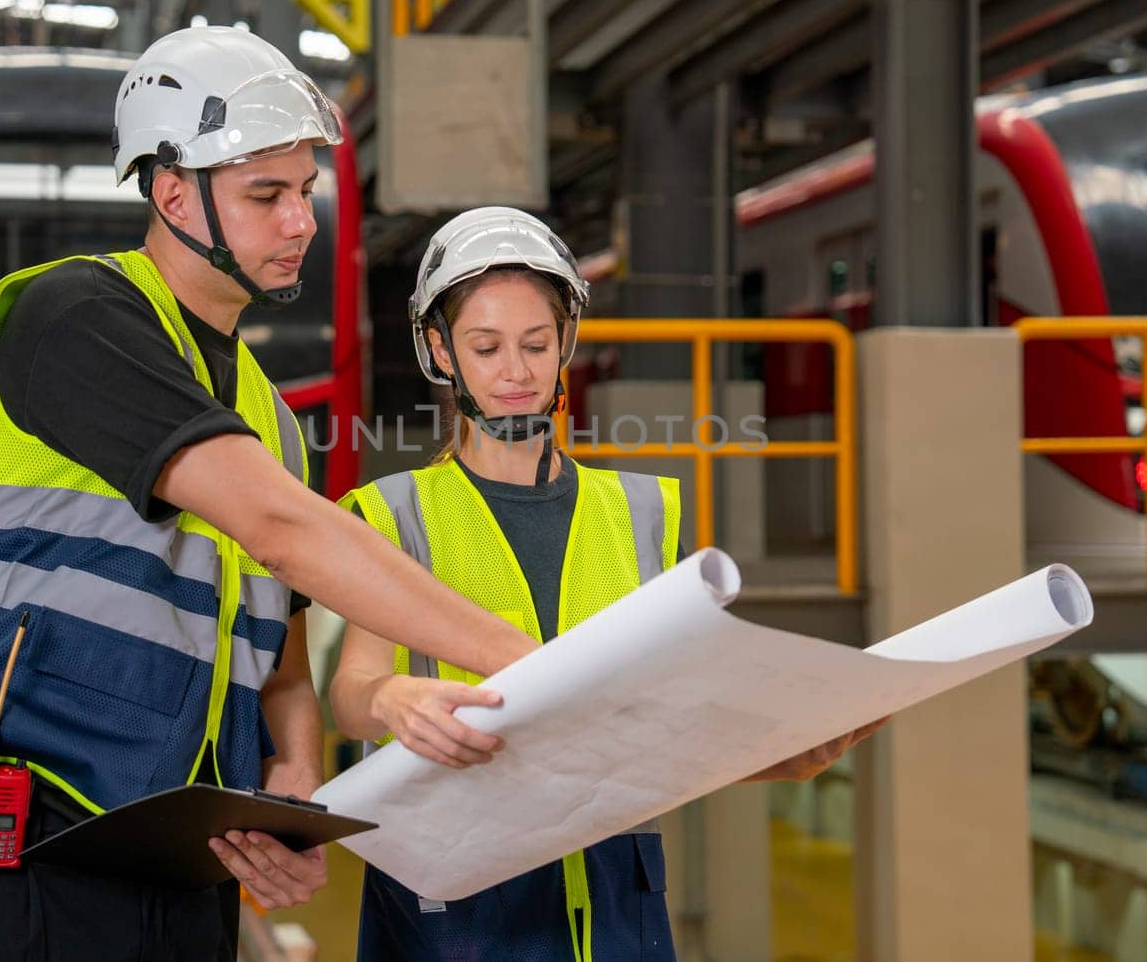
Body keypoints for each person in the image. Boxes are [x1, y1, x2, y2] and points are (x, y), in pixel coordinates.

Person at [0, 28, 538, 962]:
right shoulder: (72, 316)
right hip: (19, 835)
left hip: (185, 853)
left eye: (304, 191)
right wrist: (533, 661)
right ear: (173, 192)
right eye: (265, 194)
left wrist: (295, 781)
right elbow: (282, 532)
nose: (300, 221)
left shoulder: (268, 415)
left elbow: (282, 659)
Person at [330, 206, 884, 961]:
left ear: (566, 343)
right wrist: (387, 698)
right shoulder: (394, 514)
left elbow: (681, 712)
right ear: (440, 351)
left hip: (616, 889)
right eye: (486, 347)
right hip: (452, 892)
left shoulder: (644, 512)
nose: (516, 372)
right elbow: (351, 691)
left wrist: (776, 750)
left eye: (535, 343)